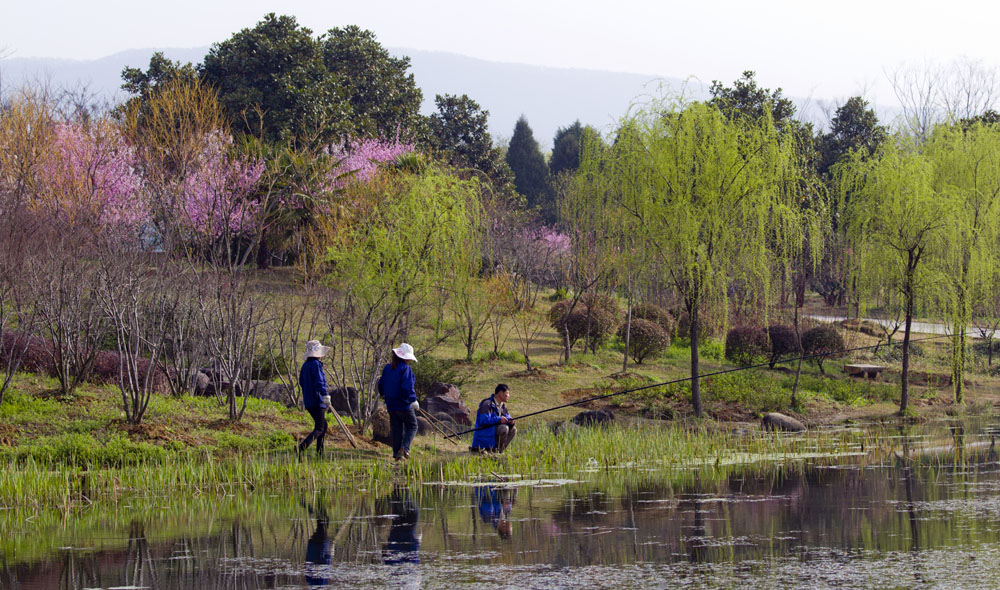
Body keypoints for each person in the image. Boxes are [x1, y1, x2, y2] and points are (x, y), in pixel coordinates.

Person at [378, 343, 419, 461]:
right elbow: (407, 386)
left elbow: (380, 384)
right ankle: (405, 449)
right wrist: (413, 400)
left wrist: (385, 396)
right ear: (405, 358)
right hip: (403, 404)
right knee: (413, 426)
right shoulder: (405, 369)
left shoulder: (387, 368)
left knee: (397, 430)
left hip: (391, 405)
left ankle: (397, 454)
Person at [298, 340, 332, 456]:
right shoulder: (316, 365)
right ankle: (302, 447)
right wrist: (325, 394)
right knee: (320, 427)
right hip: (317, 400)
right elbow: (319, 382)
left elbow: (301, 382)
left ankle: (320, 451)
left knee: (323, 425)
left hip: (309, 401)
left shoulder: (305, 365)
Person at [470, 384, 516, 454]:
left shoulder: (503, 406)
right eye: (507, 393)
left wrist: (510, 421)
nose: (508, 396)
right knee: (504, 428)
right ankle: (492, 450)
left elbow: (507, 417)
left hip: (493, 432)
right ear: (500, 393)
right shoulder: (487, 404)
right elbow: (484, 420)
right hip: (484, 433)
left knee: (513, 429)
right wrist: (499, 419)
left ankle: (499, 451)